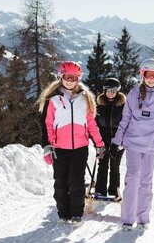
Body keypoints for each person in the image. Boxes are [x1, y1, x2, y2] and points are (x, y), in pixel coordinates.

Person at [110, 58, 154, 230]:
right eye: (148, 75)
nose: (151, 79)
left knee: (146, 182)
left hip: (151, 144)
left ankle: (143, 219)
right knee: (132, 179)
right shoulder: (133, 94)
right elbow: (125, 118)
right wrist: (116, 141)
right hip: (133, 142)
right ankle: (127, 219)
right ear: (143, 75)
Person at [38, 61, 105, 226]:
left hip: (80, 149)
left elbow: (91, 124)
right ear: (61, 77)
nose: (70, 81)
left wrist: (99, 144)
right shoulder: (53, 100)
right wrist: (47, 147)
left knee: (76, 183)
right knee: (60, 183)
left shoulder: (85, 99)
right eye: (67, 77)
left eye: (73, 78)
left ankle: (76, 215)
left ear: (78, 79)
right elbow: (46, 124)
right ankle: (63, 214)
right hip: (59, 149)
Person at [95, 78, 126, 200]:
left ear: (118, 92)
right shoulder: (99, 105)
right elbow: (94, 123)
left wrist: (120, 141)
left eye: (113, 90)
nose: (111, 93)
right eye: (108, 90)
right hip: (102, 140)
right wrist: (97, 141)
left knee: (114, 165)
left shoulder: (123, 106)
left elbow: (126, 124)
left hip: (118, 140)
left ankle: (114, 190)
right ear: (104, 91)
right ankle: (100, 190)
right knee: (102, 164)